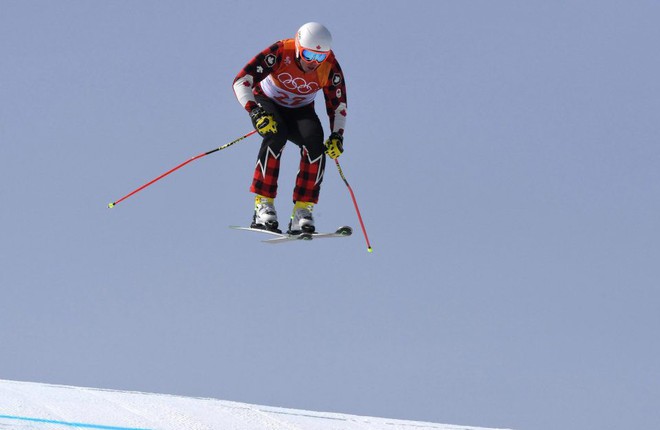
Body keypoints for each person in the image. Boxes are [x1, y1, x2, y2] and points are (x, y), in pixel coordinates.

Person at [232, 22, 347, 234]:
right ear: (297, 48)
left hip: (300, 109)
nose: (314, 62)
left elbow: (338, 105)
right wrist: (254, 111)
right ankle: (263, 204)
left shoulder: (330, 66)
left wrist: (337, 136)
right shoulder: (280, 51)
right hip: (267, 101)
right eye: (308, 55)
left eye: (319, 57)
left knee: (315, 145)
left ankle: (302, 211)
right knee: (276, 134)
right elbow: (241, 80)